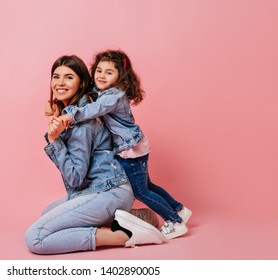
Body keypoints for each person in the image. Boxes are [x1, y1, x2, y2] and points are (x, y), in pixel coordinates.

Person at [24, 55, 166, 255]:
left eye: (69, 77)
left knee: (35, 238)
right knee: (46, 216)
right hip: (98, 190)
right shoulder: (78, 109)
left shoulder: (82, 123)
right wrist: (56, 112)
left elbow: (75, 178)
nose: (60, 83)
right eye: (56, 77)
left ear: (81, 82)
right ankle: (129, 217)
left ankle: (124, 234)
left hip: (109, 191)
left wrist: (55, 140)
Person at [58, 50, 192, 239]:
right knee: (148, 185)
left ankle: (174, 221)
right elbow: (92, 94)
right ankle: (179, 210)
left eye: (109, 72)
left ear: (120, 77)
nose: (102, 76)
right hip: (135, 145)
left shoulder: (113, 95)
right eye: (99, 71)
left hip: (131, 149)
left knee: (141, 191)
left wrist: (70, 114)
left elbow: (95, 108)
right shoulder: (104, 91)